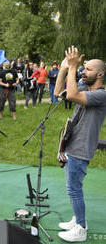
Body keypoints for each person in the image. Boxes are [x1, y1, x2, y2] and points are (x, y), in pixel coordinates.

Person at [55, 46, 106, 242]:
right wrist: (65, 68)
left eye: (89, 69)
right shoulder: (84, 87)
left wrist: (74, 68)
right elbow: (60, 92)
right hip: (72, 143)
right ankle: (77, 219)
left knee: (74, 188)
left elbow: (72, 96)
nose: (84, 71)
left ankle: (81, 228)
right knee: (73, 186)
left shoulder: (101, 95)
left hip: (81, 147)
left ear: (100, 74)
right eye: (83, 68)